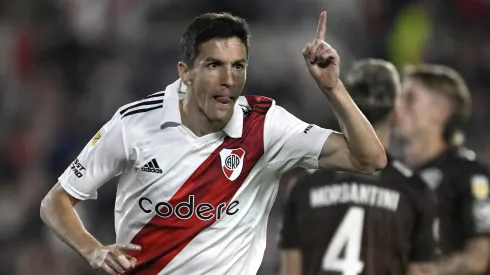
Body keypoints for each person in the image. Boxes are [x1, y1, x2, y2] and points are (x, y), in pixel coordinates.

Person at [40, 11, 386, 275]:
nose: (228, 79)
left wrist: (331, 88)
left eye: (238, 66)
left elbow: (369, 159)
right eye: (214, 66)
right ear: (185, 73)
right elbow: (56, 201)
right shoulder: (135, 123)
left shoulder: (266, 126)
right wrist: (93, 250)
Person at [279, 59, 438, 275]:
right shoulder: (415, 190)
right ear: (397, 114)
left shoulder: (305, 185)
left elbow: (290, 271)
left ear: (344, 111)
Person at [395, 64, 490, 274]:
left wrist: (433, 272)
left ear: (441, 112)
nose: (397, 106)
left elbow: (480, 254)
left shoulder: (468, 174)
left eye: (410, 98)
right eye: (398, 96)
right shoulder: (390, 171)